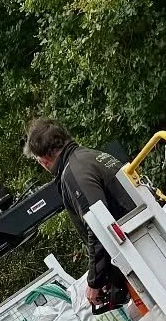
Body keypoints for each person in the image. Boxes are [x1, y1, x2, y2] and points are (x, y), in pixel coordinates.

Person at [23, 117, 135, 310]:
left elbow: (99, 226)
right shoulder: (90, 155)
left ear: (42, 159)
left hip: (137, 257)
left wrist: (94, 282)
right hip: (141, 242)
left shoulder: (73, 173)